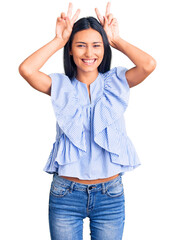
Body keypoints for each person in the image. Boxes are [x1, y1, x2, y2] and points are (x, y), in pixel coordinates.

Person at [18, 2, 156, 240]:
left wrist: (116, 39)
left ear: (104, 49)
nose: (89, 53)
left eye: (96, 45)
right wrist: (58, 40)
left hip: (109, 194)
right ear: (71, 50)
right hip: (65, 195)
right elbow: (27, 69)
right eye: (80, 45)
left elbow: (148, 64)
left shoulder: (116, 81)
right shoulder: (60, 85)